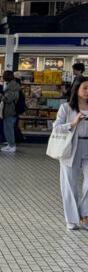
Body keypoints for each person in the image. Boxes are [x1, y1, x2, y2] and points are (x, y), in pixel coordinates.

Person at [53, 79, 88, 230]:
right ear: (77, 89)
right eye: (85, 88)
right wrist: (73, 123)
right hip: (71, 147)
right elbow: (57, 127)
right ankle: (71, 218)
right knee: (69, 184)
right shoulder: (66, 108)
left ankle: (84, 214)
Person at [0, 70, 21, 153]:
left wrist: (0, 95)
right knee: (7, 128)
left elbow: (7, 99)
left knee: (9, 128)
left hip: (10, 110)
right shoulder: (14, 85)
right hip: (11, 111)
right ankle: (10, 144)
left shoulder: (12, 86)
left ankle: (12, 145)